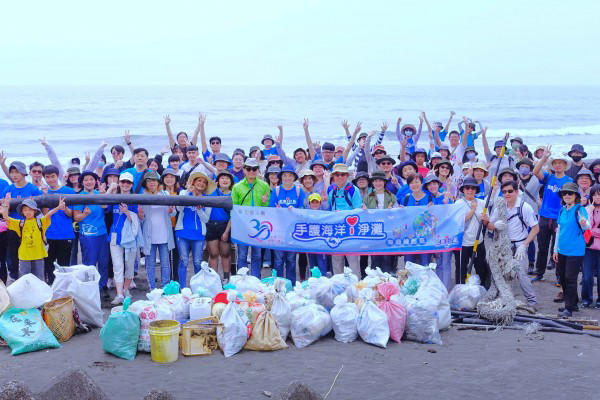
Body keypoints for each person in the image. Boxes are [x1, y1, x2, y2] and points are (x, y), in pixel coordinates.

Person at [485, 181, 539, 307]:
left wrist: (524, 245)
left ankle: (532, 301)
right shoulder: (500, 206)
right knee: (501, 274)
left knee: (521, 273)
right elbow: (489, 224)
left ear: (516, 191)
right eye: (504, 192)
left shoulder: (524, 207)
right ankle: (504, 299)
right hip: (504, 247)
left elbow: (535, 229)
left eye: (510, 191)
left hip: (520, 244)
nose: (507, 194)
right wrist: (494, 226)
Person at [531, 148, 573, 281]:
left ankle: (559, 277)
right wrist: (544, 158)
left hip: (559, 218)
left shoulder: (569, 180)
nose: (558, 165)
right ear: (552, 165)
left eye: (561, 163)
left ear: (565, 165)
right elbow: (535, 171)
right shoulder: (548, 177)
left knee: (558, 249)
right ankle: (539, 273)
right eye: (555, 163)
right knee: (542, 247)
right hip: (544, 216)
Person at [0, 195, 64, 281]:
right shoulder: (19, 223)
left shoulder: (40, 222)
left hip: (38, 255)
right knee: (24, 279)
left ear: (35, 211)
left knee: (39, 279)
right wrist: (6, 203)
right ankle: (26, 294)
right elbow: (5, 217)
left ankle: (39, 294)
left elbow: (48, 214)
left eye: (30, 209)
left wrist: (58, 207)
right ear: (22, 212)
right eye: (25, 210)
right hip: (24, 256)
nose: (28, 212)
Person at [0, 161, 42, 282]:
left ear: (23, 173)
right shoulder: (8, 189)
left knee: (31, 256)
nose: (14, 175)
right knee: (13, 256)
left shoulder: (33, 189)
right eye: (12, 172)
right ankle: (15, 280)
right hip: (13, 228)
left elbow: (40, 210)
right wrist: (6, 205)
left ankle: (32, 281)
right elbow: (3, 211)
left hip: (30, 228)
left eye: (17, 172)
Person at [552, 182, 589, 317]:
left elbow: (586, 226)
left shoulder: (580, 209)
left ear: (575, 196)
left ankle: (569, 308)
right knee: (562, 278)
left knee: (570, 278)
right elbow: (559, 231)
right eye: (564, 193)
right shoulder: (562, 210)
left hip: (575, 251)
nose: (567, 195)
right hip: (562, 250)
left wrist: (584, 223)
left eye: (570, 193)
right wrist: (555, 250)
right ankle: (572, 303)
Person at [73, 171, 110, 298]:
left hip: (102, 233)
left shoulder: (99, 194)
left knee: (104, 262)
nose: (89, 182)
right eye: (86, 180)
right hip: (88, 235)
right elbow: (76, 217)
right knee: (90, 262)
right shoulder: (79, 196)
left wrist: (103, 193)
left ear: (95, 181)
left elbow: (105, 206)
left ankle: (103, 286)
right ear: (82, 182)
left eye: (91, 179)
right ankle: (90, 287)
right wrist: (84, 214)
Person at [231, 158, 271, 278]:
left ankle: (255, 278)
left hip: (258, 226)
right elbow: (234, 208)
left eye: (254, 169)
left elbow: (267, 208)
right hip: (242, 225)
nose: (251, 171)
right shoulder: (237, 187)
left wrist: (265, 202)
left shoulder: (264, 186)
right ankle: (242, 279)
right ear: (244, 170)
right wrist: (235, 226)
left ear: (258, 170)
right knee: (242, 255)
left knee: (257, 255)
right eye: (248, 169)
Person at [175, 171, 213, 287]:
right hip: (183, 233)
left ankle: (197, 287)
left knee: (197, 262)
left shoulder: (208, 199)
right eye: (199, 181)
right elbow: (178, 208)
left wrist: (199, 209)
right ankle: (182, 289)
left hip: (198, 235)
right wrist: (188, 193)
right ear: (194, 182)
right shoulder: (183, 193)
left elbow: (206, 220)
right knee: (184, 261)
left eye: (204, 182)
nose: (201, 183)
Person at [106, 172, 139, 305]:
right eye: (123, 182)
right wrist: (110, 189)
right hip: (115, 235)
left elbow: (137, 220)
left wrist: (127, 212)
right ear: (119, 183)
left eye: (128, 182)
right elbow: (102, 205)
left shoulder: (135, 199)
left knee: (129, 265)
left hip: (130, 237)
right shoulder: (114, 197)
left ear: (131, 185)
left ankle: (126, 290)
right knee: (118, 265)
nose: (125, 184)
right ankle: (119, 294)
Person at [139, 171, 175, 291]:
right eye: (149, 181)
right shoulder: (142, 196)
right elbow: (141, 218)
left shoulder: (165, 194)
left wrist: (171, 210)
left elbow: (173, 212)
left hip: (164, 234)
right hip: (149, 235)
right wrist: (140, 214)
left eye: (154, 180)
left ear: (158, 182)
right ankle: (152, 289)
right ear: (145, 183)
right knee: (150, 264)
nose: (152, 183)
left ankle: (165, 287)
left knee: (165, 263)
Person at [269, 165, 306, 284]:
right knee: (278, 260)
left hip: (293, 230)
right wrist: (277, 209)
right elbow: (271, 209)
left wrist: (294, 210)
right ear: (281, 177)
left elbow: (302, 209)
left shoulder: (299, 190)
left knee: (291, 259)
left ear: (294, 177)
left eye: (290, 175)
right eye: (285, 175)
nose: (287, 178)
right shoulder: (276, 190)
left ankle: (291, 285)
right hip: (278, 229)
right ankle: (278, 285)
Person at [41, 165, 76, 284]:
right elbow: (45, 214)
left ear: (57, 176)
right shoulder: (44, 192)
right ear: (44, 178)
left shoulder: (68, 191)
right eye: (47, 177)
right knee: (48, 265)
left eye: (53, 176)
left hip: (65, 234)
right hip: (49, 234)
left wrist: (63, 208)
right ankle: (52, 289)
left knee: (64, 265)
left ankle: (64, 290)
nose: (50, 180)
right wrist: (45, 197)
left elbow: (71, 214)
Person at [327, 163, 362, 276]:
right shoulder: (331, 190)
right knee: (336, 261)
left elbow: (358, 211)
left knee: (353, 263)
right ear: (333, 176)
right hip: (335, 230)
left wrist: (342, 214)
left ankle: (356, 288)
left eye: (342, 174)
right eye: (337, 174)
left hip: (351, 230)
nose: (340, 177)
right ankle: (338, 287)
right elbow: (329, 208)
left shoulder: (353, 190)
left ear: (347, 176)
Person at [456, 177, 490, 287]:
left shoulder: (482, 203)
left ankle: (483, 289)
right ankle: (461, 290)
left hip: (478, 241)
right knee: (462, 269)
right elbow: (460, 221)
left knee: (480, 267)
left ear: (476, 190)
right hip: (463, 243)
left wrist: (485, 220)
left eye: (473, 188)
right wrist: (472, 210)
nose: (470, 190)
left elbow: (486, 223)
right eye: (467, 188)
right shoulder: (458, 203)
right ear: (463, 190)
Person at [422, 174, 453, 288]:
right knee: (438, 263)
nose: (432, 186)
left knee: (446, 262)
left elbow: (451, 213)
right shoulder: (428, 199)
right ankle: (440, 290)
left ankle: (445, 290)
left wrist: (447, 202)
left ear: (438, 184)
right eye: (429, 184)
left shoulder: (446, 196)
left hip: (446, 235)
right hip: (433, 236)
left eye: (434, 183)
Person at [362, 170, 396, 274]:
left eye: (380, 181)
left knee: (387, 258)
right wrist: (363, 210)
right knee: (375, 259)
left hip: (388, 231)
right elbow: (363, 212)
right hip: (374, 232)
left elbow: (397, 212)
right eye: (375, 181)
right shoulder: (368, 197)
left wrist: (393, 209)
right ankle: (375, 283)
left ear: (384, 182)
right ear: (372, 183)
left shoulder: (391, 196)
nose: (378, 183)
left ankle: (387, 282)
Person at [206, 170, 234, 283]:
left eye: (227, 178)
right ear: (217, 181)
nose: (225, 180)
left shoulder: (233, 193)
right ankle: (214, 279)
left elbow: (233, 215)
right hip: (211, 224)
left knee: (225, 253)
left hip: (226, 225)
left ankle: (226, 278)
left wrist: (226, 231)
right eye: (222, 178)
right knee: (213, 254)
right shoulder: (211, 191)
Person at [516, 158, 542, 274]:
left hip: (532, 212)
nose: (524, 168)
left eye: (527, 166)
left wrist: (542, 160)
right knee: (517, 237)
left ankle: (531, 263)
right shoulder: (515, 179)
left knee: (530, 239)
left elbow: (541, 172)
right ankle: (516, 262)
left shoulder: (536, 179)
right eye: (522, 166)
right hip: (518, 212)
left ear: (530, 169)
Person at [161, 168, 181, 282]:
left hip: (178, 227)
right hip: (165, 228)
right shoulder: (160, 193)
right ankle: (167, 280)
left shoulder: (180, 192)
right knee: (166, 256)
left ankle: (176, 280)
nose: (169, 179)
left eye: (172, 177)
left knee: (177, 255)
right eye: (166, 177)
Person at [582, 184, 600, 308]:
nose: (597, 197)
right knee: (587, 276)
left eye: (599, 194)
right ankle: (586, 299)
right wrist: (590, 208)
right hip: (588, 248)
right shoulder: (587, 209)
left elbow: (590, 229)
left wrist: (593, 231)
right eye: (595, 194)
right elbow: (585, 226)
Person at [306, 193, 328, 275]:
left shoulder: (325, 215)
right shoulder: (305, 215)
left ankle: (323, 283)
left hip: (321, 245)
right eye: (312, 202)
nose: (315, 204)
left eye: (317, 202)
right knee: (312, 266)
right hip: (310, 245)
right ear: (309, 204)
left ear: (320, 203)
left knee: (322, 264)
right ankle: (313, 283)